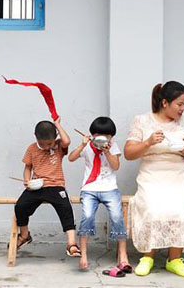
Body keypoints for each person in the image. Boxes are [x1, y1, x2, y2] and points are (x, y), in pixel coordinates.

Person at [124, 81, 184, 277]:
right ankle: (147, 257)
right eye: (179, 104)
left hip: (179, 174)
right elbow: (129, 153)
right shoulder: (142, 121)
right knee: (152, 206)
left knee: (180, 207)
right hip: (152, 172)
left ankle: (174, 260)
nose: (182, 109)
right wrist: (148, 142)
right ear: (165, 103)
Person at [68, 117, 131, 276]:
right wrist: (82, 144)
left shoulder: (113, 146)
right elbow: (71, 158)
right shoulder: (87, 146)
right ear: (92, 135)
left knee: (116, 216)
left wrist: (107, 151)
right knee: (87, 216)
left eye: (107, 136)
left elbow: (115, 166)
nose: (102, 139)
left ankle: (123, 255)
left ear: (111, 137)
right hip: (89, 188)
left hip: (110, 188)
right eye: (98, 136)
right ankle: (83, 254)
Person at [13, 118, 80, 257]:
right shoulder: (32, 148)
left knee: (66, 208)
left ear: (55, 137)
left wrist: (57, 124)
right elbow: (28, 167)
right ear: (36, 137)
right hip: (36, 186)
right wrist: (27, 181)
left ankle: (72, 244)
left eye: (49, 143)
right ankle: (24, 235)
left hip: (56, 186)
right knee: (20, 206)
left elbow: (67, 141)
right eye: (42, 144)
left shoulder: (58, 146)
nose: (46, 147)